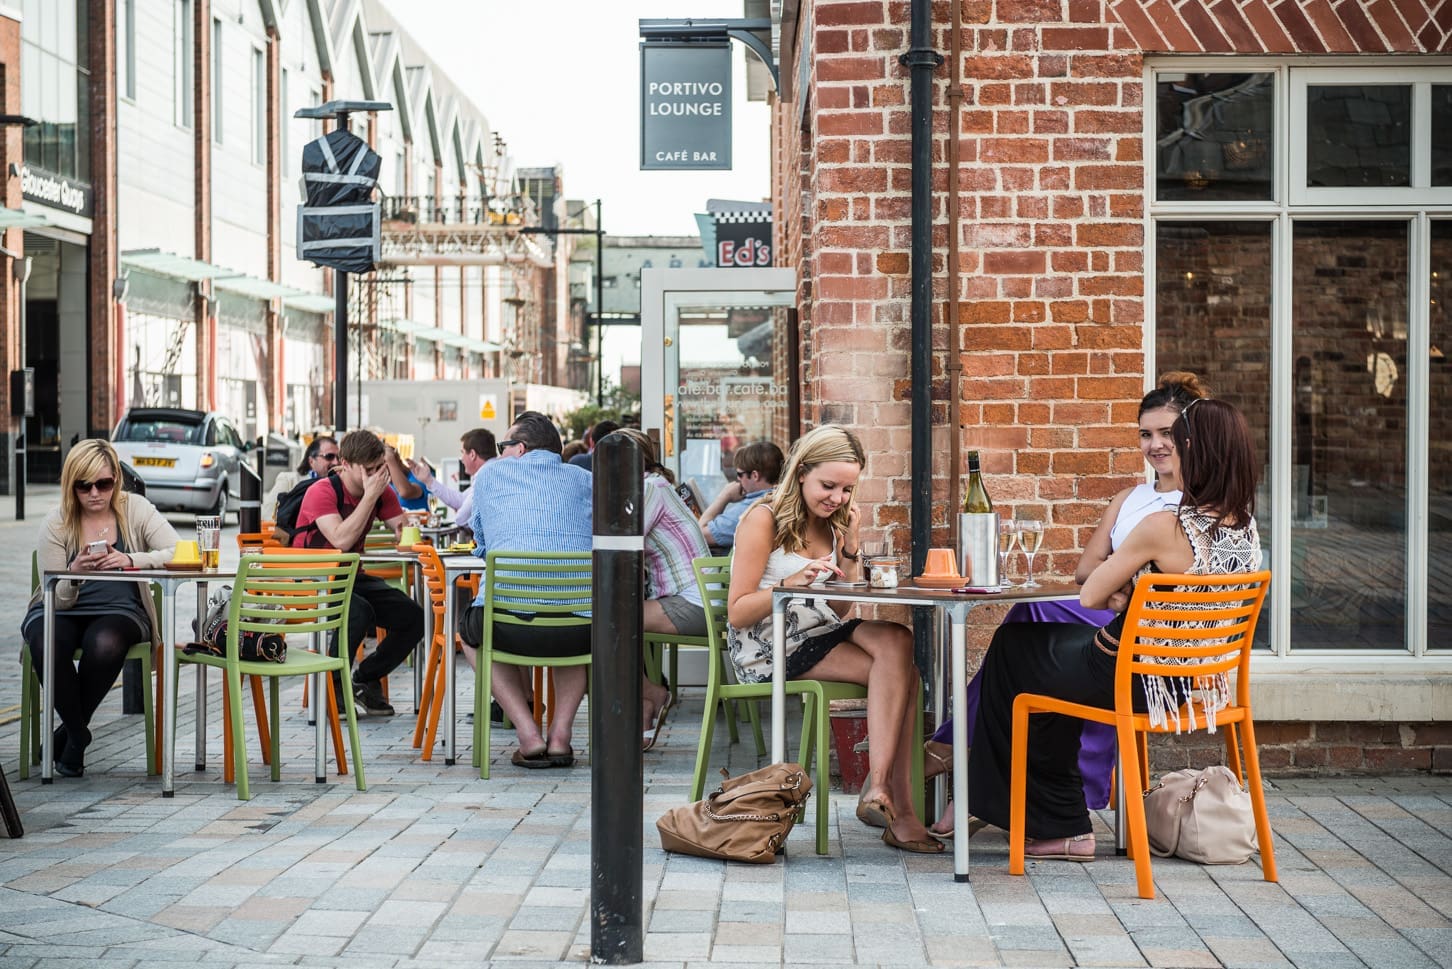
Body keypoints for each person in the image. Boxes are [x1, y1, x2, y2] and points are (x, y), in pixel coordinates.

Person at [967, 398, 1263, 861]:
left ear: (1199, 450)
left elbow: (1089, 594)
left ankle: (1044, 820)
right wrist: (1136, 590)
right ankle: (1057, 821)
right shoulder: (1244, 527)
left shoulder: (1164, 525)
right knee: (1042, 666)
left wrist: (1126, 586)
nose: (1171, 448)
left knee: (1012, 646)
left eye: (1181, 440)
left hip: (1128, 675)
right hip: (1186, 682)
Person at [925, 372, 1208, 835]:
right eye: (1146, 434)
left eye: (1167, 434)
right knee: (1030, 624)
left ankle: (957, 750)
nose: (1155, 445)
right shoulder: (1130, 499)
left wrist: (1119, 580)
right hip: (1110, 613)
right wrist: (1121, 581)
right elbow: (1084, 571)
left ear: (1191, 437)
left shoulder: (1201, 508)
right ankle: (1010, 790)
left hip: (1140, 641)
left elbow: (1107, 581)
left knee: (1027, 628)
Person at [727, 424, 941, 853]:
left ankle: (879, 789)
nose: (837, 498)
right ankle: (898, 810)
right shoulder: (763, 518)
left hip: (818, 629)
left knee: (897, 639)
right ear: (801, 472)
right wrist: (790, 583)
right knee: (906, 679)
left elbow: (840, 609)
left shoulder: (835, 524)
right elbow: (736, 612)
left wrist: (851, 547)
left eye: (847, 489)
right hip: (769, 644)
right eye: (829, 486)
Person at [21, 439, 179, 777]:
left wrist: (130, 559)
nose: (95, 493)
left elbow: (177, 551)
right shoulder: (57, 522)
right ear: (71, 486)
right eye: (84, 486)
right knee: (45, 638)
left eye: (104, 483)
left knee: (105, 642)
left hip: (119, 609)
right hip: (62, 607)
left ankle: (67, 735)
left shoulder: (135, 508)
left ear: (115, 481)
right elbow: (54, 596)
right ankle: (78, 735)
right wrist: (74, 575)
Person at [463, 411, 592, 767]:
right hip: (579, 630)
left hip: (509, 626)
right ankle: (561, 735)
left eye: (503, 446)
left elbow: (483, 540)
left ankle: (527, 731)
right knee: (572, 626)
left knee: (472, 636)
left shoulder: (490, 474)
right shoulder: (586, 479)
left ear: (519, 449)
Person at [292, 429, 424, 717]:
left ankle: (364, 678)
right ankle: (334, 687)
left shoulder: (380, 492)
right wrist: (371, 496)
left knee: (413, 617)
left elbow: (402, 531)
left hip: (349, 578)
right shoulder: (322, 491)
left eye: (380, 468)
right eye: (369, 470)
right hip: (311, 579)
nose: (376, 476)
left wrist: (406, 532)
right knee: (358, 612)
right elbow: (340, 540)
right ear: (346, 464)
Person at [609, 428, 711, 750]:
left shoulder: (650, 489)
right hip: (695, 598)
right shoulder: (658, 485)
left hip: (692, 602)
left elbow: (624, 542)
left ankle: (650, 695)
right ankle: (645, 704)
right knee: (613, 617)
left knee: (606, 620)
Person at [697, 441, 784, 550]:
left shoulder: (748, 510)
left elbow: (700, 536)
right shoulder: (785, 497)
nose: (738, 479)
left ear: (755, 475)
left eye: (739, 474)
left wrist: (724, 496)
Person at [409, 427, 496, 524]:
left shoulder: (486, 476)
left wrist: (460, 512)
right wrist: (429, 480)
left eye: (462, 453)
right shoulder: (491, 471)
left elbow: (461, 519)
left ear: (472, 454)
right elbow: (461, 500)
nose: (461, 459)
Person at [262, 435, 339, 519]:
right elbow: (268, 515)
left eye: (338, 457)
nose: (336, 462)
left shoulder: (339, 485)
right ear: (311, 461)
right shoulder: (289, 480)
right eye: (329, 456)